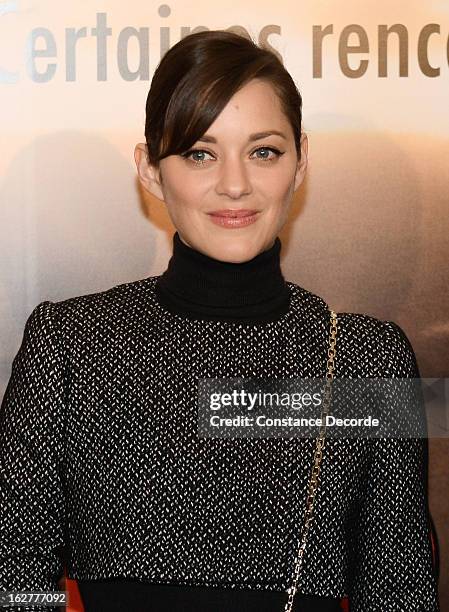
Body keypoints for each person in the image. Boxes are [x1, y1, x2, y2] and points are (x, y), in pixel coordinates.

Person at [0, 30, 439, 612]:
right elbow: (19, 584)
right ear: (151, 170)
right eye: (199, 153)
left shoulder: (368, 358)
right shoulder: (70, 345)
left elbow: (400, 594)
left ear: (301, 161)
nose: (234, 184)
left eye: (264, 151)